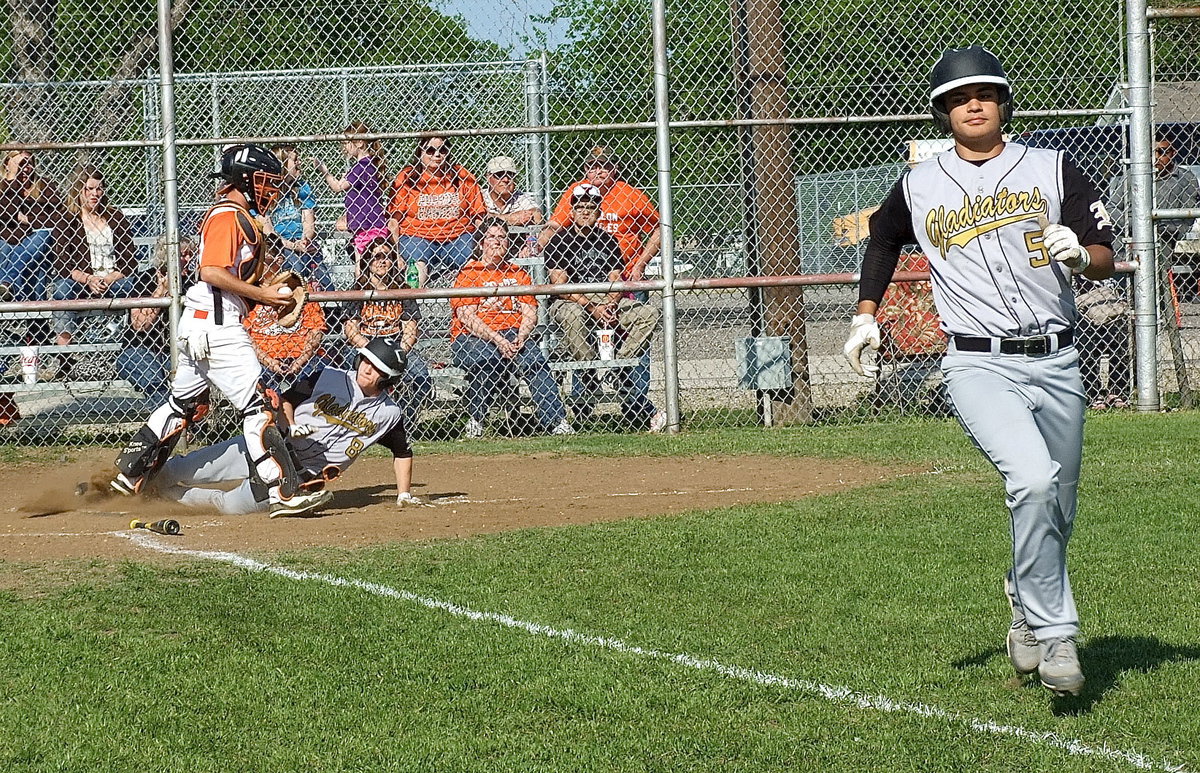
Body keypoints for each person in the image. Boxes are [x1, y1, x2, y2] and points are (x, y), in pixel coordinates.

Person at [843, 46, 1115, 698]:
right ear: (943, 110)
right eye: (960, 97)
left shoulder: (1052, 167)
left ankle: (1024, 597)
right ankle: (1056, 637)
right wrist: (865, 315)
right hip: (975, 360)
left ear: (1002, 104)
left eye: (985, 94)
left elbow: (1107, 252)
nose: (973, 104)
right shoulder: (919, 184)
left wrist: (1080, 255)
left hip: (1056, 358)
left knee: (1059, 506)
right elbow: (883, 238)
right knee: (1030, 478)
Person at [108, 143, 330, 518]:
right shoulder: (229, 215)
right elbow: (211, 271)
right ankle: (282, 492)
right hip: (219, 326)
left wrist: (263, 291)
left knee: (182, 405)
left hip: (202, 323)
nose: (272, 190)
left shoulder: (238, 215)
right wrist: (263, 294)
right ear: (245, 180)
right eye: (265, 181)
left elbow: (229, 276)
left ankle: (130, 475)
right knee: (260, 407)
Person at [154, 338, 425, 515]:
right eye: (366, 360)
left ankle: (162, 498)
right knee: (184, 468)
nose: (367, 368)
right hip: (271, 445)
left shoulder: (388, 414)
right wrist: (292, 424)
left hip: (297, 477)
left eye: (377, 368)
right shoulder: (328, 376)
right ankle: (130, 483)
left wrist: (404, 493)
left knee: (229, 506)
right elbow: (286, 400)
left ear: (388, 380)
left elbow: (402, 451)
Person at [545, 183, 665, 431]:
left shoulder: (608, 240)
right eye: (580, 207)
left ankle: (619, 366)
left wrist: (610, 304)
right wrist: (592, 307)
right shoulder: (559, 241)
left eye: (591, 207)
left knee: (649, 313)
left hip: (605, 297)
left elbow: (615, 278)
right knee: (573, 315)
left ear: (599, 212)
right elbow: (559, 285)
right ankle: (589, 372)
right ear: (572, 212)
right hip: (571, 298)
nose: (585, 212)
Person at [450, 218, 574, 438]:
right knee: (487, 358)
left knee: (535, 360)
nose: (497, 242)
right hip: (473, 336)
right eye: (491, 237)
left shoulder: (518, 273)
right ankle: (476, 420)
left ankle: (556, 422)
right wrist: (498, 340)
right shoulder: (469, 273)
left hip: (514, 333)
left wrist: (521, 337)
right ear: (480, 243)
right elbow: (467, 318)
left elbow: (530, 312)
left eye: (502, 237)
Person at [343, 236, 433, 429]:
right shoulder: (357, 290)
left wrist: (398, 353)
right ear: (368, 261)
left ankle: (404, 424)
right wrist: (372, 353)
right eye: (377, 257)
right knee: (347, 374)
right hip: (365, 348)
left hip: (395, 346)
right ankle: (358, 423)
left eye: (387, 256)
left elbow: (410, 329)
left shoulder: (403, 290)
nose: (382, 261)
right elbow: (351, 329)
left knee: (420, 376)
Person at [538, 147, 661, 282]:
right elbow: (555, 225)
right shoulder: (576, 191)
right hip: (581, 276)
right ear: (585, 169)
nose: (598, 171)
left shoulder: (630, 194)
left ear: (614, 169)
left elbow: (660, 230)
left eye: (604, 166)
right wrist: (537, 245)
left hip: (627, 274)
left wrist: (640, 265)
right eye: (592, 166)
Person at [49, 167, 139, 349]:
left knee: (136, 285)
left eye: (98, 189)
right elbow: (62, 263)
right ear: (78, 191)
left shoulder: (116, 217)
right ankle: (65, 351)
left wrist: (109, 278)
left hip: (113, 280)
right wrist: (89, 279)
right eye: (88, 189)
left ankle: (136, 343)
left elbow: (129, 260)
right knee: (62, 289)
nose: (94, 194)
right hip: (81, 281)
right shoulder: (67, 219)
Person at [388, 136, 485, 286]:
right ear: (420, 152)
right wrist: (394, 254)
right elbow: (394, 219)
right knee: (416, 266)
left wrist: (482, 242)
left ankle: (468, 304)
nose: (437, 155)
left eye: (443, 150)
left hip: (457, 237)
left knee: (472, 264)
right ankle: (410, 303)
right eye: (430, 150)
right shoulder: (407, 177)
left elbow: (479, 215)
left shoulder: (462, 175)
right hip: (417, 236)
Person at [115, 235, 198, 398]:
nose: (188, 259)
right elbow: (139, 324)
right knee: (154, 380)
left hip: (177, 351)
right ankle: (170, 419)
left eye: (190, 254)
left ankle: (183, 418)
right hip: (139, 348)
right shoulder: (145, 279)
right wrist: (161, 291)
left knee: (192, 383)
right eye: (183, 255)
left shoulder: (192, 282)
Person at [313, 121, 389, 272]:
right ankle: (361, 289)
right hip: (368, 224)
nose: (344, 147)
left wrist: (324, 170)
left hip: (368, 225)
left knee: (363, 265)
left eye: (346, 142)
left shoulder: (361, 166)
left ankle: (361, 289)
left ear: (360, 142)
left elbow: (337, 187)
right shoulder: (369, 164)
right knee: (363, 263)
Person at [263, 144, 330, 291]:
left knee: (323, 276)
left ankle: (329, 309)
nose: (299, 163)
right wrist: (293, 246)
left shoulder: (302, 187)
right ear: (282, 165)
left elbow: (309, 224)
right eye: (295, 160)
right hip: (280, 245)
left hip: (303, 242)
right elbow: (269, 232)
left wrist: (305, 241)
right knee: (295, 265)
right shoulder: (266, 191)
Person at [245, 278, 328, 395]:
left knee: (320, 370)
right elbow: (246, 336)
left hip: (305, 357)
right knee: (254, 373)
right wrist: (268, 361)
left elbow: (316, 330)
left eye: (276, 258)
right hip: (264, 359)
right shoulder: (250, 292)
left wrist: (301, 360)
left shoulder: (300, 289)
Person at [0, 149, 63, 302]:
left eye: (29, 163)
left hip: (37, 242)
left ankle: (7, 282)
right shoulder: (3, 188)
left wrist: (25, 219)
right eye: (21, 163)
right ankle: (36, 321)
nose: (26, 168)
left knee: (43, 236)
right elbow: (5, 213)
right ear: (7, 165)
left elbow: (57, 216)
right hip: (8, 242)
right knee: (8, 248)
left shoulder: (44, 185)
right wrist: (12, 179)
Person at [481, 155, 542, 257]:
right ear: (488, 177)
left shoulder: (520, 197)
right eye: (499, 175)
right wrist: (510, 219)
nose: (505, 179)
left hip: (516, 252)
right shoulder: (479, 196)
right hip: (485, 254)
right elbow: (476, 218)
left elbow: (537, 216)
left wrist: (493, 217)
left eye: (510, 175)